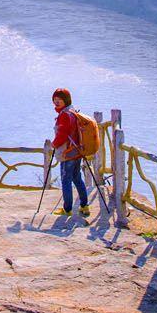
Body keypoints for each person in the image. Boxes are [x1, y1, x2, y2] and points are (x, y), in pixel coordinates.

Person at [49, 87, 91, 218]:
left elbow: (63, 134)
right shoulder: (72, 111)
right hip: (77, 151)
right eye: (55, 100)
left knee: (66, 180)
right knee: (77, 178)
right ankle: (84, 205)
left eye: (59, 100)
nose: (56, 102)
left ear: (65, 100)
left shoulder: (64, 115)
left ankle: (67, 209)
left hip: (68, 153)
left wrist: (53, 144)